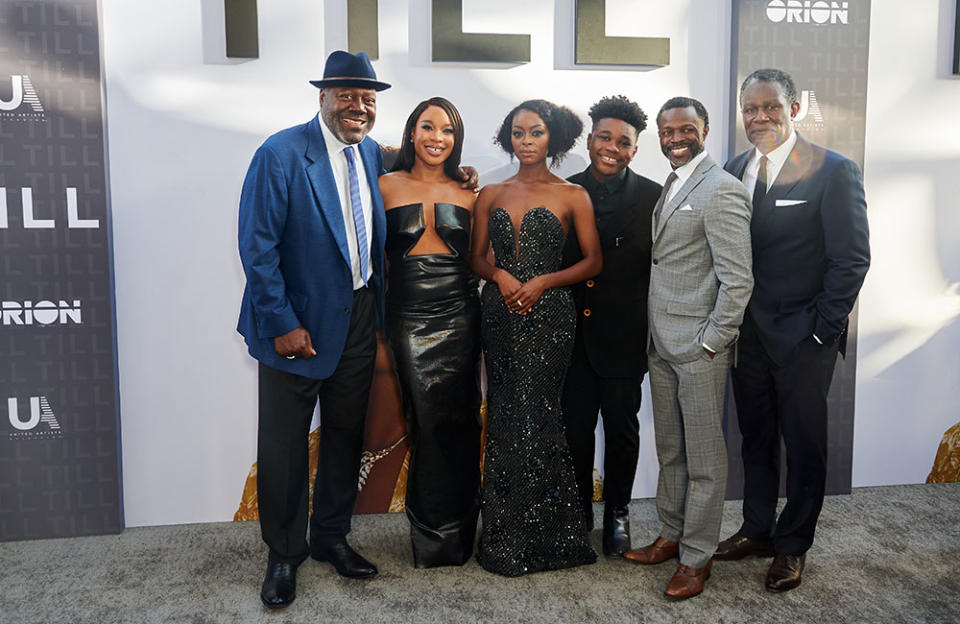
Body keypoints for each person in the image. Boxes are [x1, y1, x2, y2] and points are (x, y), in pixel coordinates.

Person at [237, 50, 390, 609]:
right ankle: (283, 553)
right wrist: (281, 323)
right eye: (346, 95)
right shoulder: (280, 154)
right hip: (295, 327)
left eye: (368, 98)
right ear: (321, 98)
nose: (358, 106)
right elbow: (258, 247)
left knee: (346, 434)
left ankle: (330, 537)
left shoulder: (371, 152)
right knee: (283, 446)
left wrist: (461, 170)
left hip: (355, 320)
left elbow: (415, 166)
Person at [716, 68, 870, 592]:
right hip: (748, 337)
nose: (760, 118)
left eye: (771, 108)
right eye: (751, 110)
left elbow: (851, 260)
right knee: (755, 439)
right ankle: (757, 528)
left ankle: (793, 545)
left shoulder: (834, 170)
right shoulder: (733, 169)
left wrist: (824, 332)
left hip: (806, 338)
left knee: (804, 445)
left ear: (794, 110)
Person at [625, 97, 753, 599]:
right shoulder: (675, 183)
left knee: (703, 459)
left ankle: (697, 558)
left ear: (704, 130)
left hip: (699, 348)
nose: (675, 136)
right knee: (672, 450)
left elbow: (737, 280)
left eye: (685, 128)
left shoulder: (721, 189)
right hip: (661, 342)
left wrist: (711, 343)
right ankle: (671, 535)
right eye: (666, 129)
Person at [469, 99, 602, 577]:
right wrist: (500, 277)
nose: (526, 141)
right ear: (509, 137)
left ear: (554, 138)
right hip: (500, 315)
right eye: (519, 132)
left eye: (536, 132)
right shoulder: (490, 193)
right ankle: (504, 534)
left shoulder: (573, 195)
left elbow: (592, 262)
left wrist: (543, 281)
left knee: (541, 414)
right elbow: (475, 259)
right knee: (504, 414)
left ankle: (555, 536)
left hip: (550, 317)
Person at [378, 97, 482, 568]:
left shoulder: (471, 194)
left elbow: (483, 260)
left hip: (460, 315)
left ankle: (461, 532)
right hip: (407, 316)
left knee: (461, 423)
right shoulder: (384, 185)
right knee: (423, 422)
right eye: (427, 126)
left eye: (448, 130)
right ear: (412, 133)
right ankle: (429, 533)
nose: (437, 137)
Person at [561, 95, 662, 556]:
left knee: (622, 432)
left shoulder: (655, 198)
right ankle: (578, 512)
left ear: (635, 151)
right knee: (575, 430)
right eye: (605, 137)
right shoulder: (562, 191)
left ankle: (617, 513)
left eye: (624, 142)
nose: (612, 147)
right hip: (570, 341)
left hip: (624, 339)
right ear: (590, 139)